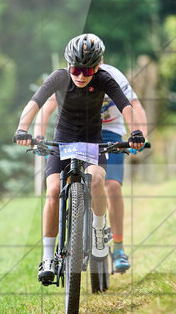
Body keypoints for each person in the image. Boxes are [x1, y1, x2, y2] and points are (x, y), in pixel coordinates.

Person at [13, 34, 145, 285]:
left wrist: (136, 133)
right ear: (68, 65)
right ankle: (48, 257)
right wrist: (22, 129)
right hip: (63, 141)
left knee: (97, 179)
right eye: (75, 69)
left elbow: (126, 106)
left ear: (97, 67)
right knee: (53, 190)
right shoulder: (59, 77)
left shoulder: (105, 79)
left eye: (88, 70)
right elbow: (35, 103)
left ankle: (98, 230)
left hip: (92, 141)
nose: (81, 76)